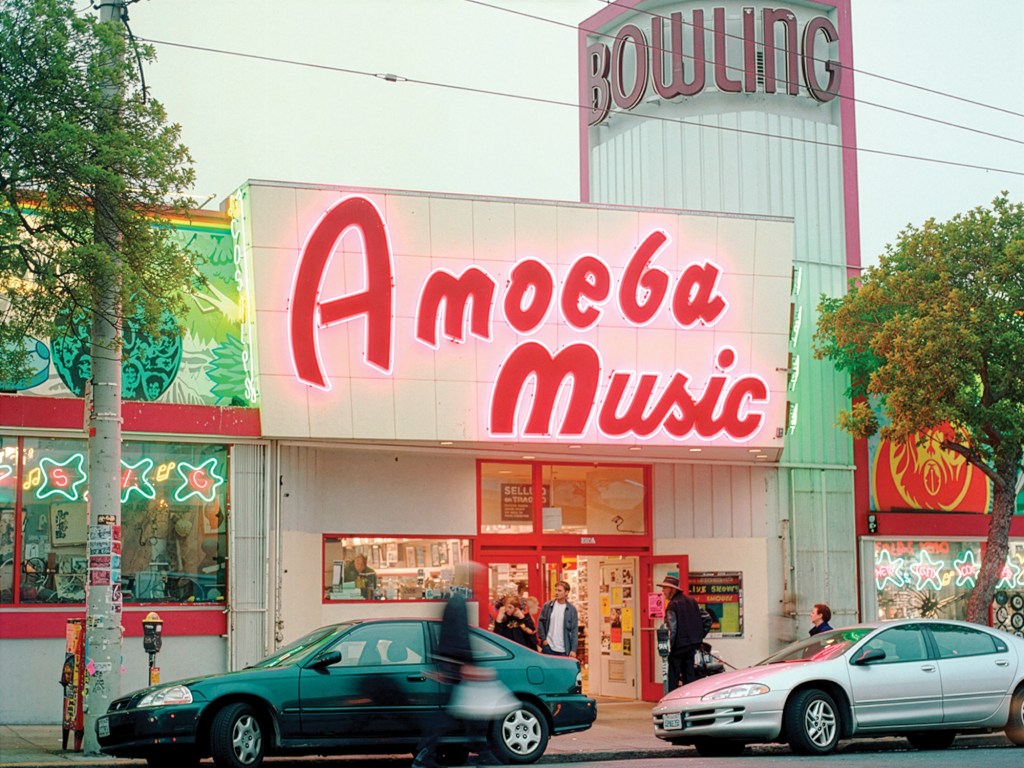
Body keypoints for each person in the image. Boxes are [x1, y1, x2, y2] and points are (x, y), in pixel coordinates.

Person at [413, 593, 498, 768]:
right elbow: (462, 639)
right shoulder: (459, 610)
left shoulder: (448, 615)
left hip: (453, 669)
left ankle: (427, 754)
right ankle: (482, 754)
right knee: (463, 715)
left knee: (458, 715)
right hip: (459, 669)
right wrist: (469, 663)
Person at [660, 572, 704, 691]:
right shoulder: (692, 601)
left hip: (678, 646)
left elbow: (672, 629)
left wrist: (669, 648)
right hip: (691, 645)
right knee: (689, 674)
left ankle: (672, 700)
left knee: (673, 676)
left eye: (665, 588)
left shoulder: (673, 605)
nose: (663, 591)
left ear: (672, 589)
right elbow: (706, 619)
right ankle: (690, 699)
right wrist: (699, 637)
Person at [536, 580, 578, 658]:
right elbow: (540, 622)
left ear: (566, 592)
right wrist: (544, 639)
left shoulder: (571, 609)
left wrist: (573, 649)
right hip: (549, 647)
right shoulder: (548, 606)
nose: (556, 593)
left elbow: (574, 630)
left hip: (564, 650)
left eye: (559, 590)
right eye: (556, 590)